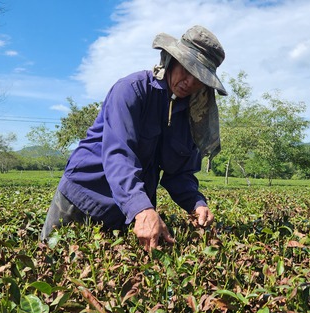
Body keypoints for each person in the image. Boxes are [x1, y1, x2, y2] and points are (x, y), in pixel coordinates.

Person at [41, 25, 226, 252]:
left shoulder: (190, 116)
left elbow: (179, 173)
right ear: (172, 60)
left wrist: (196, 203)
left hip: (127, 210)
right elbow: (118, 154)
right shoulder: (131, 91)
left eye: (199, 78)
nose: (189, 81)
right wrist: (141, 209)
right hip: (83, 198)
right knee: (52, 263)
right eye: (187, 70)